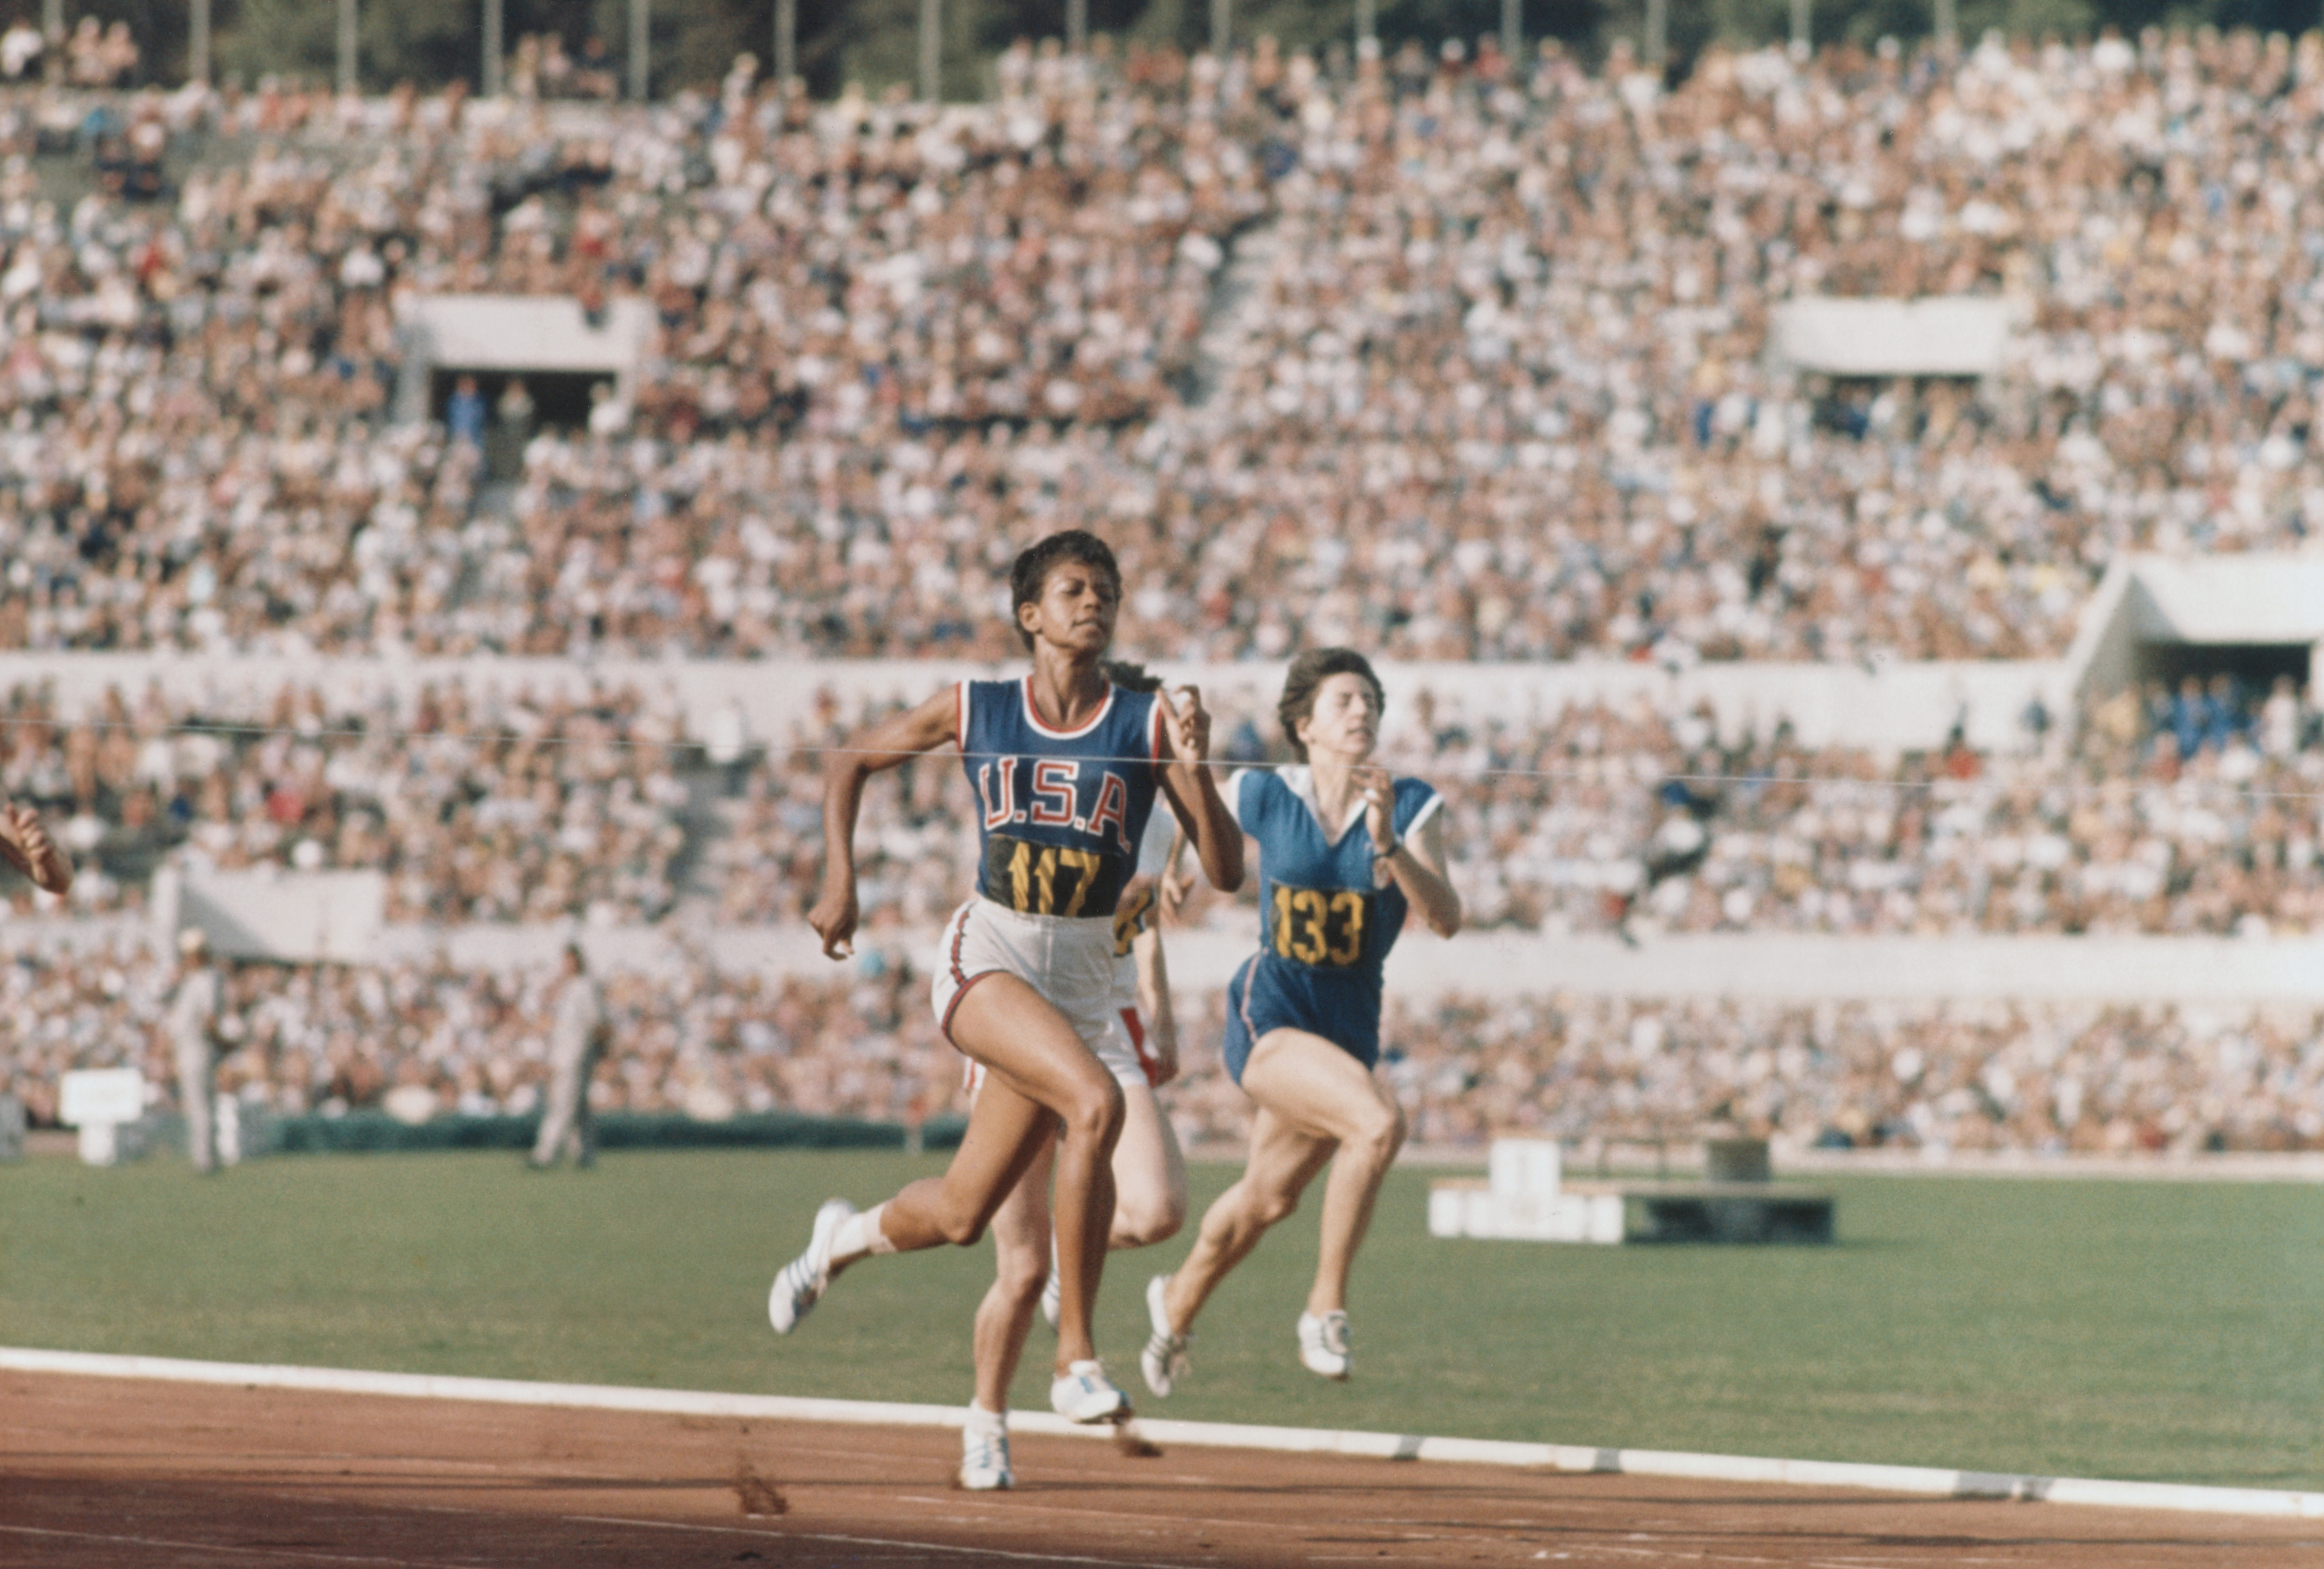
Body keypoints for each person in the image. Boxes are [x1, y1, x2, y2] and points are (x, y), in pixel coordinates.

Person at [769, 530, 1242, 1433]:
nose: (1093, 600)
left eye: (1105, 587)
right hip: (992, 951)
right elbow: (847, 762)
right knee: (1095, 1103)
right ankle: (1075, 1363)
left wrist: (1200, 763)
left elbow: (1222, 868)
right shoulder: (979, 705)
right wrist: (841, 878)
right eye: (1073, 587)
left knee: (958, 1213)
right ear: (1030, 614)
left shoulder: (1144, 721)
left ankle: (840, 1237)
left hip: (1085, 977)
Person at [1140, 648, 1460, 1396]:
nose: (1362, 712)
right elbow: (1190, 807)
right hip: (1273, 1009)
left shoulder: (1409, 802)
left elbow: (1444, 918)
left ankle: (1176, 1301)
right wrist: (1177, 859)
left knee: (1267, 1198)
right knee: (1378, 1125)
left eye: (1370, 702)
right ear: (1304, 724)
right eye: (1345, 700)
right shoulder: (1266, 790)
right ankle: (1324, 1307)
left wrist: (1386, 845)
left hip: (1348, 1025)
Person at [958, 661, 1191, 1491]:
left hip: (1105, 1020)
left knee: (1159, 1208)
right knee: (1011, 1261)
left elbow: (1152, 918)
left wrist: (1159, 1007)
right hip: (1026, 1011)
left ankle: (1074, 1286)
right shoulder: (1051, 781)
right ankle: (987, 1421)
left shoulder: (1166, 812)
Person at [529, 942, 608, 1168]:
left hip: (577, 1055)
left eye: (569, 960)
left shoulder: (586, 986)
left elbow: (598, 1023)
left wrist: (601, 1051)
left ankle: (544, 1154)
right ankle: (585, 1154)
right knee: (579, 1107)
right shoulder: (569, 988)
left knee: (562, 1106)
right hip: (564, 1056)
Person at [169, 928, 225, 1174]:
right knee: (198, 1105)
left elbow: (209, 1019)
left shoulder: (208, 978)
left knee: (200, 1106)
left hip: (198, 1047)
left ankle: (206, 1160)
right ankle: (204, 1157)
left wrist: (220, 1043)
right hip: (188, 1047)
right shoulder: (194, 979)